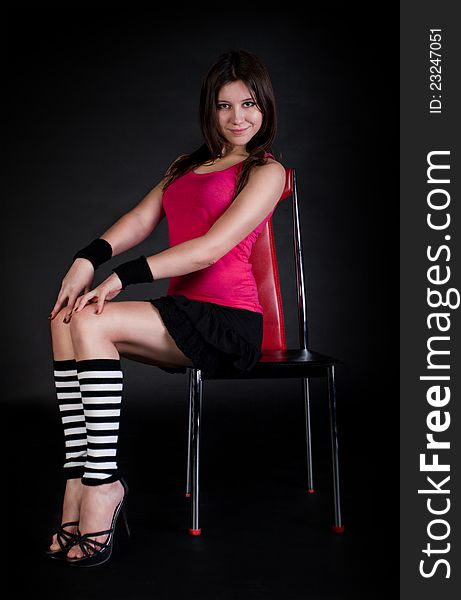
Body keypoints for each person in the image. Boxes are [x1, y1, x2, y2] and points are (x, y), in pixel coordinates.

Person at [45, 48, 286, 567]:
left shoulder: (267, 172)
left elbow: (209, 248)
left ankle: (103, 486)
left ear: (265, 107)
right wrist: (85, 260)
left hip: (228, 323)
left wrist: (122, 277)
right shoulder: (188, 164)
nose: (238, 117)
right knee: (65, 317)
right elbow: (138, 218)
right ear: (210, 110)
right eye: (224, 106)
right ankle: (77, 481)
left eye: (249, 104)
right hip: (182, 315)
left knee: (91, 316)